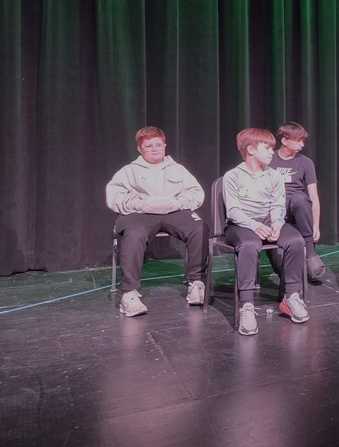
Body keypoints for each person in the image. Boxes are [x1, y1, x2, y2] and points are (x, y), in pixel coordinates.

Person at [106, 126, 210, 317]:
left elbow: (196, 193)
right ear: (140, 149)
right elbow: (114, 197)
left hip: (173, 210)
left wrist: (175, 202)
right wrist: (142, 204)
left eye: (158, 144)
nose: (155, 149)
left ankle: (197, 282)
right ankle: (129, 294)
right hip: (140, 212)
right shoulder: (128, 171)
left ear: (165, 145)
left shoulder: (178, 169)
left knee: (199, 228)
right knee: (134, 234)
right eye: (148, 146)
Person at [223, 127, 309, 335]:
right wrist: (254, 225)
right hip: (241, 225)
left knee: (296, 241)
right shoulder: (232, 176)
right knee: (250, 244)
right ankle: (246, 305)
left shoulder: (274, 176)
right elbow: (233, 210)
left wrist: (277, 224)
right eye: (267, 148)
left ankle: (291, 296)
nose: (272, 152)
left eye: (272, 148)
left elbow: (278, 205)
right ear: (251, 149)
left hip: (268, 222)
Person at [270, 121, 325, 282]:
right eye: (297, 140)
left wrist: (316, 225)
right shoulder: (270, 159)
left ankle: (310, 252)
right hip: (273, 209)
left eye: (303, 140)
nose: (302, 144)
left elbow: (313, 196)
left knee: (299, 197)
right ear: (285, 140)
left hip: (298, 209)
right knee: (285, 271)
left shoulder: (305, 162)